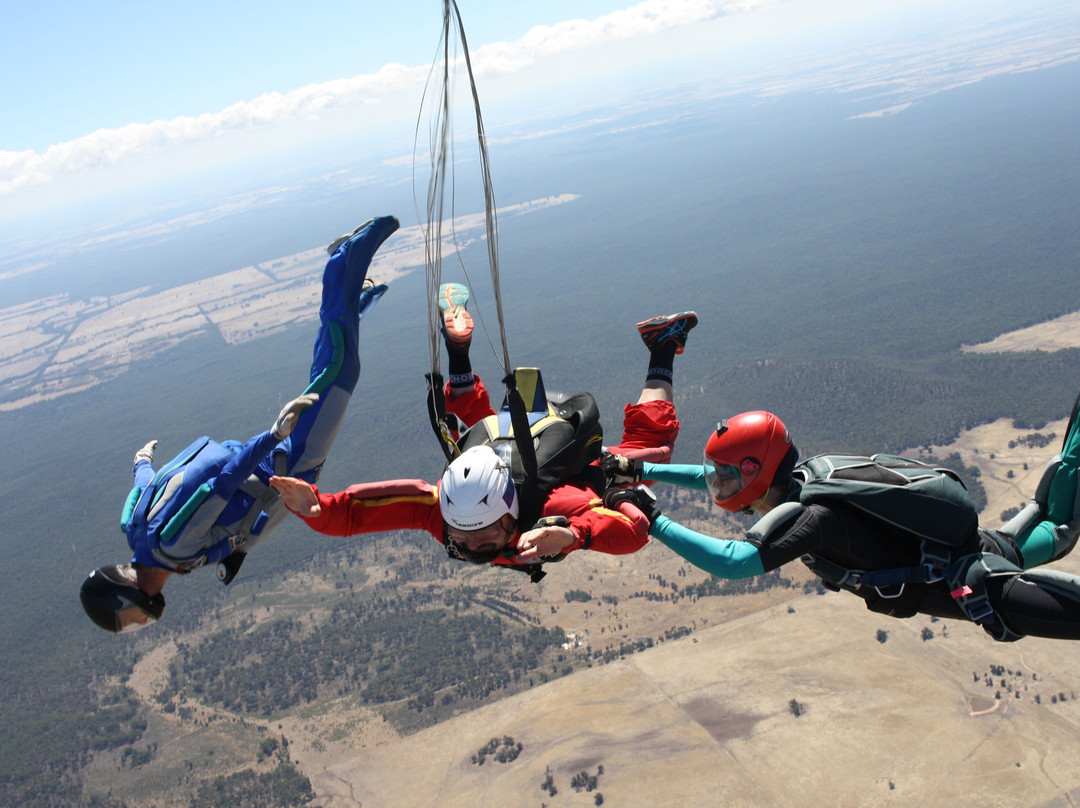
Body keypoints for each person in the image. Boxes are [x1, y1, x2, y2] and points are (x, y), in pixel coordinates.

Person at [79, 215, 400, 633]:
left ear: (122, 594)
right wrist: (142, 458)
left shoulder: (173, 546)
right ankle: (347, 306)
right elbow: (145, 484)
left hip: (286, 463)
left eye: (127, 617)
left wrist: (273, 436)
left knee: (339, 374)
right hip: (278, 471)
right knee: (329, 375)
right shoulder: (138, 533)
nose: (139, 620)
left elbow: (225, 482)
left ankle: (345, 260)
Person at [269, 290, 696, 578]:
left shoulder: (554, 507)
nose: (473, 545)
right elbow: (367, 510)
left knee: (649, 454)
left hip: (547, 451)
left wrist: (573, 532)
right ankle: (459, 359)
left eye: (480, 535)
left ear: (510, 512)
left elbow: (634, 531)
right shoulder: (447, 511)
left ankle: (662, 347)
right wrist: (318, 509)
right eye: (466, 534)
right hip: (502, 439)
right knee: (481, 425)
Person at [604, 390, 1080, 642]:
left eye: (728, 476)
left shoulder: (812, 519)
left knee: (1042, 546)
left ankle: (1060, 509)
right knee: (1041, 533)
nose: (716, 485)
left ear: (756, 473)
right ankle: (1057, 511)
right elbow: (710, 474)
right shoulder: (804, 478)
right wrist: (641, 469)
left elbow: (733, 561)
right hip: (968, 553)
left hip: (977, 584)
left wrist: (653, 516)